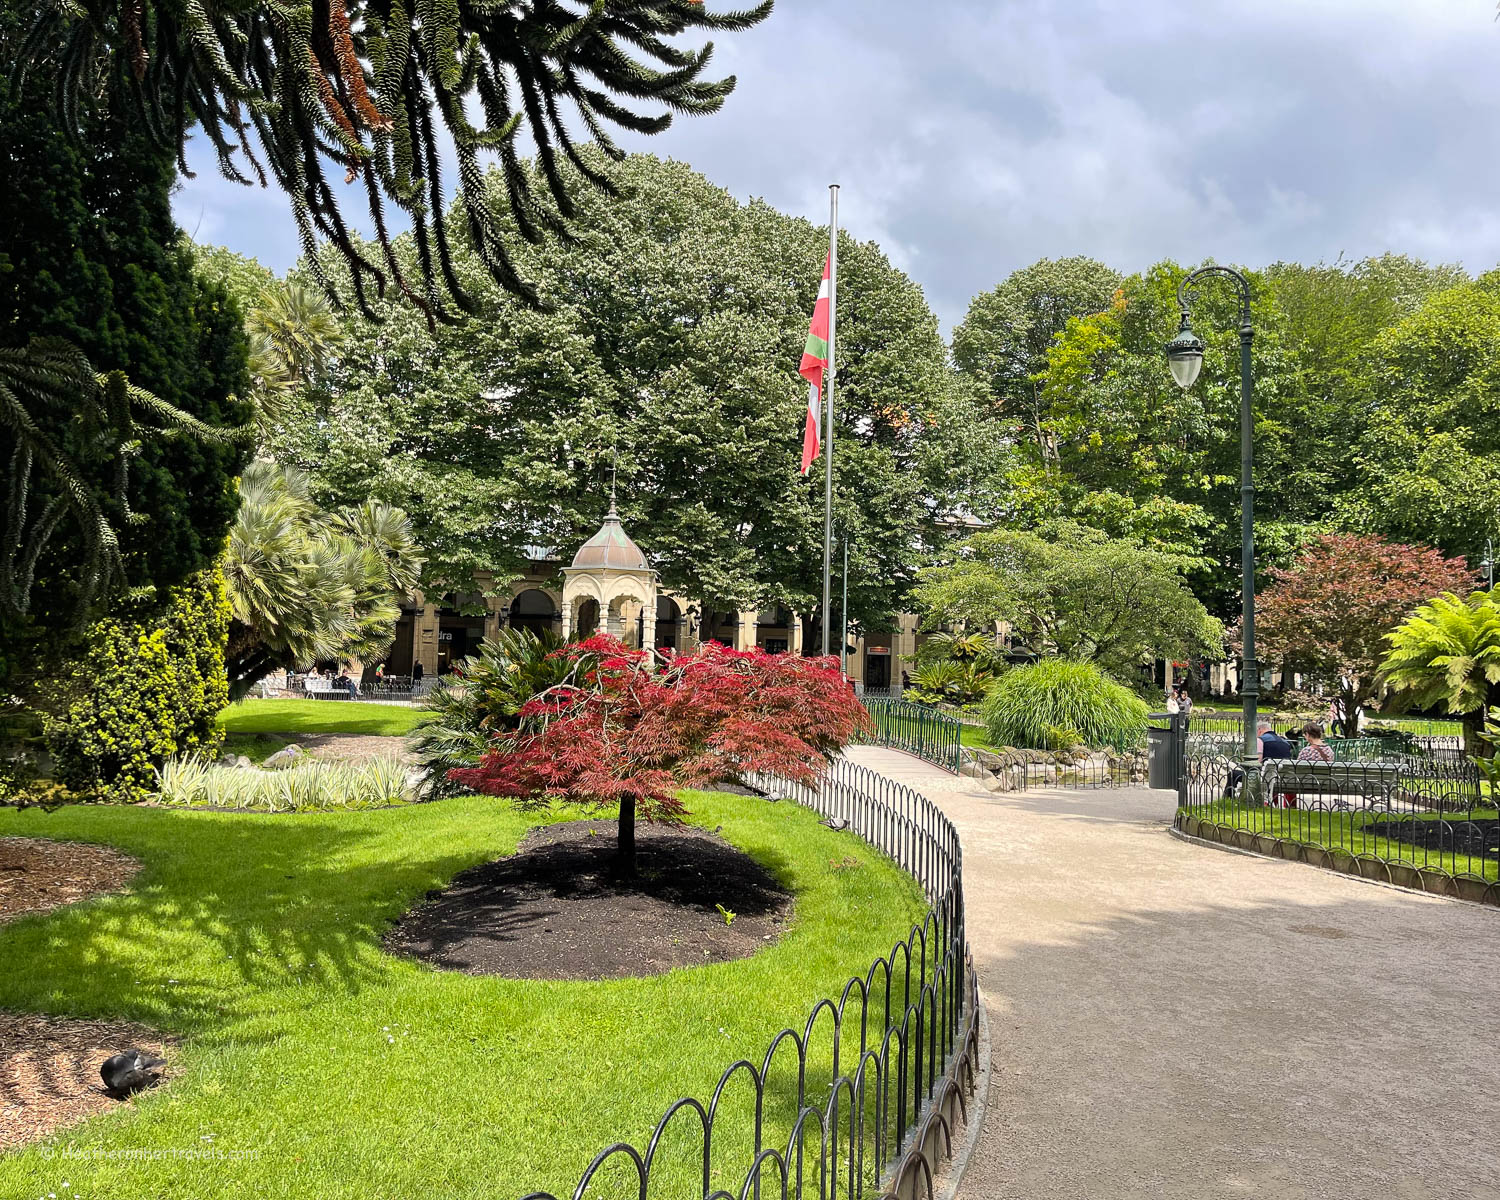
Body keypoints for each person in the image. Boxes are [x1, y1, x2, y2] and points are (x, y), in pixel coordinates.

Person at [1226, 719, 1294, 797]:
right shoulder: (1285, 742)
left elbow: (1257, 761)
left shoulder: (1260, 740)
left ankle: (1228, 799)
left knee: (1233, 774)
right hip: (1283, 779)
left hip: (1264, 778)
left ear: (1259, 730)